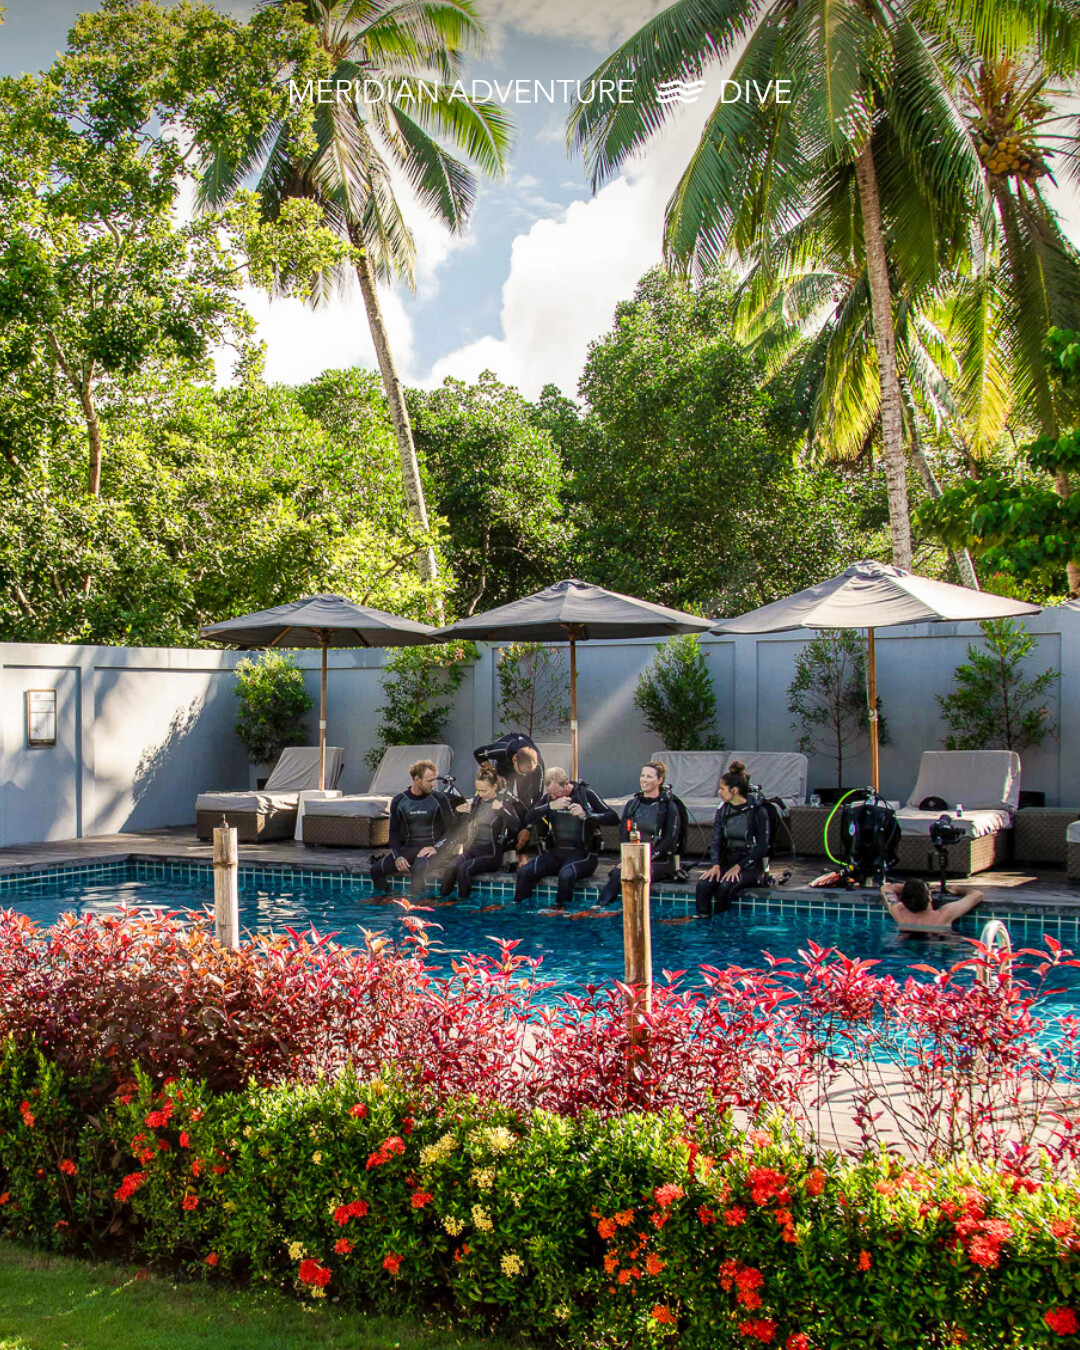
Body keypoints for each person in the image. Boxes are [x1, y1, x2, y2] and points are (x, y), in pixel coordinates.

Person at [514, 767, 618, 907]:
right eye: (551, 794)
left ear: (566, 784)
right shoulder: (550, 799)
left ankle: (560, 909)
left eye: (556, 793)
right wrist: (550, 805)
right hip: (557, 852)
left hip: (583, 854)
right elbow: (529, 817)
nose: (554, 797)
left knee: (566, 875)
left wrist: (588, 815)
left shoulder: (585, 794)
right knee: (524, 872)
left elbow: (613, 818)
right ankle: (519, 907)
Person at [597, 761, 680, 907]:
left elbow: (670, 840)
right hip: (634, 858)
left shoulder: (668, 807)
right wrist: (628, 857)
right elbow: (624, 834)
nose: (644, 780)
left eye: (649, 776)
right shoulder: (632, 805)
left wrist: (644, 859)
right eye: (642, 775)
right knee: (618, 872)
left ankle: (635, 910)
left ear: (659, 780)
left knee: (636, 871)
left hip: (660, 860)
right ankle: (600, 907)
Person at [695, 760, 771, 918]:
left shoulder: (758, 811)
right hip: (728, 861)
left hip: (750, 866)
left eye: (722, 788)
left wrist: (739, 866)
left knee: (725, 887)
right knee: (703, 886)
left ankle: (725, 928)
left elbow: (762, 847)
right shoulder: (723, 810)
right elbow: (716, 840)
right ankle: (704, 926)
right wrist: (715, 865)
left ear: (734, 790)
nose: (718, 792)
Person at [370, 759, 456, 896]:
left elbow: (453, 829)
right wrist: (398, 857)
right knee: (376, 870)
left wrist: (435, 847)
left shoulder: (439, 799)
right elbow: (393, 833)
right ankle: (386, 901)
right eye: (429, 781)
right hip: (410, 848)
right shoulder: (399, 801)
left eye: (434, 780)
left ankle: (417, 906)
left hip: (432, 850)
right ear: (417, 779)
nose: (433, 784)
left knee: (418, 869)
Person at [439, 766, 525, 899]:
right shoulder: (477, 802)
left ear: (494, 787)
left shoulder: (503, 802)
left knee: (464, 869)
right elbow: (459, 824)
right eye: (478, 790)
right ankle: (441, 900)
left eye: (484, 790)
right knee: (452, 866)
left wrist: (501, 810)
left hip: (491, 853)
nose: (480, 794)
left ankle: (463, 903)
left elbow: (516, 825)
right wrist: (458, 811)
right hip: (474, 849)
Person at [473, 733, 545, 857]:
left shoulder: (538, 767)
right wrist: (493, 773)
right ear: (515, 760)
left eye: (528, 772)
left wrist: (527, 827)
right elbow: (478, 753)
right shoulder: (503, 749)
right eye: (522, 772)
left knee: (525, 802)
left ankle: (521, 840)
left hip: (525, 766)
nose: (523, 775)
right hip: (503, 766)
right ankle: (498, 837)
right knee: (502, 798)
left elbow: (537, 799)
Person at [881, 878, 985, 931]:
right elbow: (977, 894)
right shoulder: (943, 916)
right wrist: (959, 890)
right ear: (930, 897)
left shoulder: (899, 912)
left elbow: (886, 888)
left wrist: (912, 889)